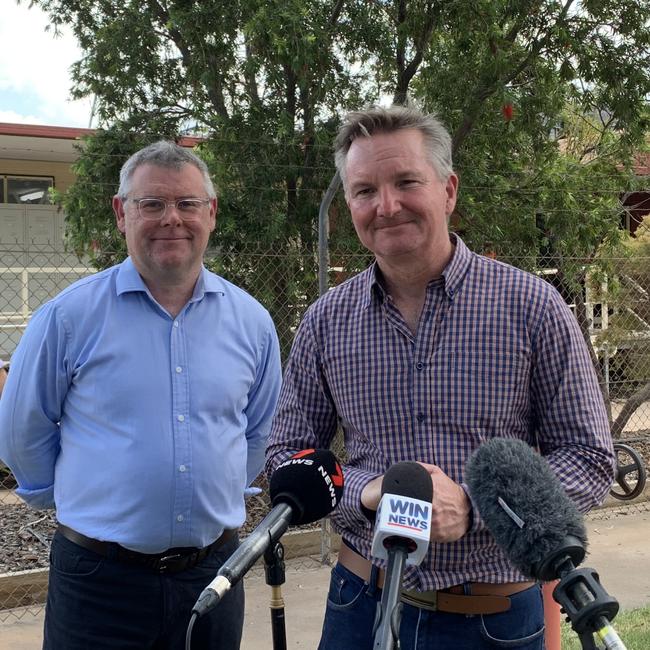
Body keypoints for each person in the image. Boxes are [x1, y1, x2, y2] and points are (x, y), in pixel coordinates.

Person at [265, 104, 616, 650]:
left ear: (448, 190)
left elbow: (589, 459)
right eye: (363, 191)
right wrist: (364, 492)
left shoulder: (533, 307)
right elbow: (287, 454)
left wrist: (478, 506)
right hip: (361, 604)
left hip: (494, 620)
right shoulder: (326, 320)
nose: (386, 206)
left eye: (406, 181)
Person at [0, 141, 282, 649]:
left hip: (213, 575)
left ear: (211, 213)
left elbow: (256, 432)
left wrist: (212, 497)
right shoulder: (67, 320)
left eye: (187, 204)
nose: (171, 218)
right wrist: (67, 501)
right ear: (120, 214)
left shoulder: (252, 323)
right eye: (151, 204)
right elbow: (24, 430)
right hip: (99, 583)